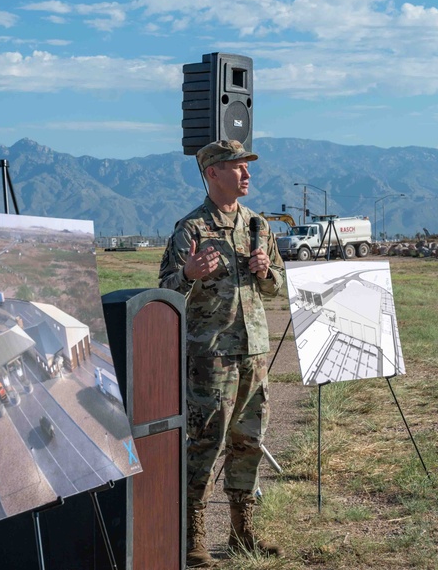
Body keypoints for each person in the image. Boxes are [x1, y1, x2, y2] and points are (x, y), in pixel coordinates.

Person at [159, 139, 285, 568]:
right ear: (212, 173)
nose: (246, 174)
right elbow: (163, 292)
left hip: (255, 354)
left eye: (247, 166)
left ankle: (241, 532)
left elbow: (277, 287)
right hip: (211, 358)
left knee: (248, 444)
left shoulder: (258, 226)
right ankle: (192, 536)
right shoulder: (190, 230)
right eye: (237, 167)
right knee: (205, 447)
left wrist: (267, 272)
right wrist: (189, 273)